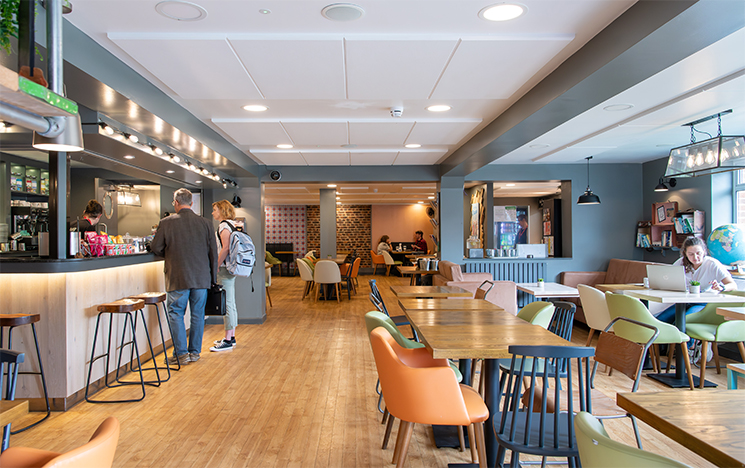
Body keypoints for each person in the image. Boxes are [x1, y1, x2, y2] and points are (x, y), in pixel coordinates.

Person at [151, 188, 217, 366]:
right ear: (192, 203)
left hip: (178, 276)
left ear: (176, 203)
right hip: (201, 277)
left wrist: (170, 251)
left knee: (176, 314)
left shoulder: (166, 223)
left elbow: (155, 247)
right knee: (197, 315)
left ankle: (181, 354)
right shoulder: (205, 223)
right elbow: (213, 253)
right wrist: (213, 278)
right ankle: (194, 352)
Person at [655, 236, 735, 363]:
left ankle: (686, 355)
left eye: (698, 253)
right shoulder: (681, 263)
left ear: (704, 251)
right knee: (660, 321)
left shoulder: (712, 264)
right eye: (691, 254)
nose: (696, 257)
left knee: (683, 322)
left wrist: (721, 287)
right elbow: (667, 278)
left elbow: (732, 284)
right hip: (683, 302)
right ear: (685, 254)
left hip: (704, 304)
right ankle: (665, 356)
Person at [210, 200, 239, 352]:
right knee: (230, 302)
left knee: (226, 303)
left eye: (215, 210)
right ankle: (231, 336)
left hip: (224, 268)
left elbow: (225, 248)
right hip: (230, 269)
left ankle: (227, 339)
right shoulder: (232, 224)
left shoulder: (223, 226)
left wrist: (215, 265)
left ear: (222, 210)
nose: (213, 212)